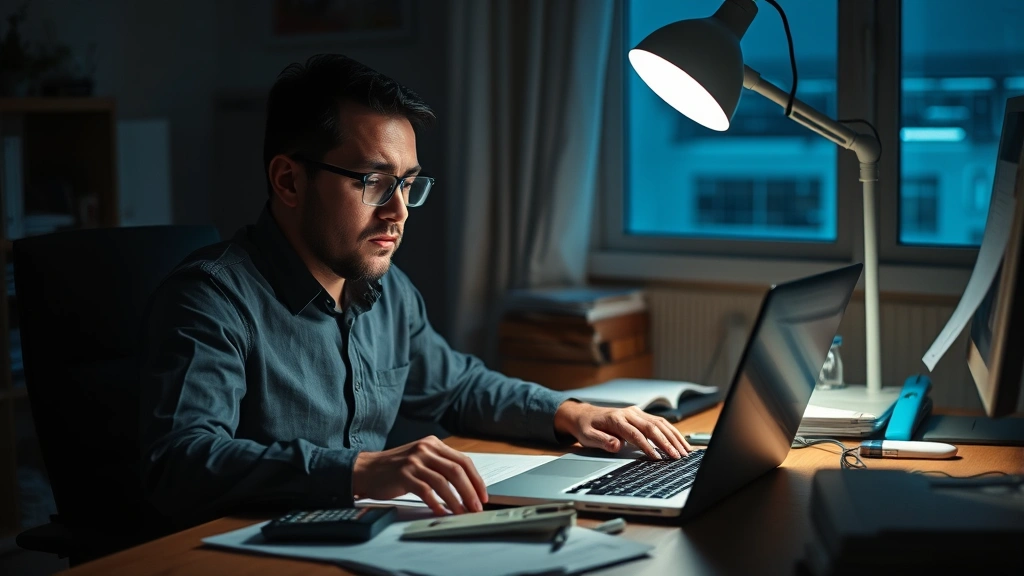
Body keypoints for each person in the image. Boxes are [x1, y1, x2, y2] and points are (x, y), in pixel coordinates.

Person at [140, 54, 689, 527]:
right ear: (288, 180)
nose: (398, 211)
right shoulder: (210, 299)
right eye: (373, 182)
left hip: (363, 538)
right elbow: (183, 461)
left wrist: (572, 414)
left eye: (406, 184)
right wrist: (358, 471)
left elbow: (458, 388)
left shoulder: (386, 289)